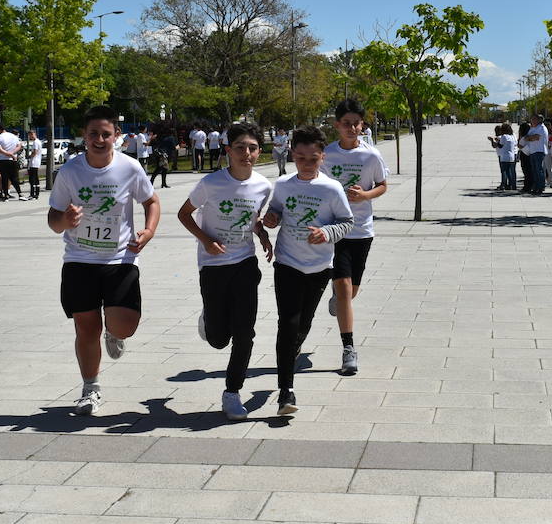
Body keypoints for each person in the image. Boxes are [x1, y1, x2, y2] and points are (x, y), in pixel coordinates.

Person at [48, 105, 161, 416]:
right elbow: (53, 219)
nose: (99, 139)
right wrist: (65, 221)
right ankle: (90, 387)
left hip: (120, 259)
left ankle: (114, 332)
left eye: (106, 134)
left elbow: (151, 201)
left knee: (125, 327)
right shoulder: (70, 171)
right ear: (84, 136)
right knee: (86, 328)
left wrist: (148, 231)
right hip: (79, 259)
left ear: (117, 136)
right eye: (93, 134)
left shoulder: (130, 168)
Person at [177, 123, 274, 420]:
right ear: (229, 150)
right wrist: (206, 240)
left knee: (245, 332)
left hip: (245, 263)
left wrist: (262, 236)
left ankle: (232, 393)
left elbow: (252, 218)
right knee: (219, 338)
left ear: (259, 152)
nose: (247, 153)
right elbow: (184, 213)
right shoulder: (211, 183)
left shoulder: (263, 186)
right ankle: (209, 318)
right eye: (241, 147)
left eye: (253, 148)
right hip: (213, 266)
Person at [261, 125, 354, 416]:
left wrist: (326, 232)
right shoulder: (284, 184)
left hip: (318, 267)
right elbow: (275, 211)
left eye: (312, 159)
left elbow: (346, 222)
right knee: (287, 323)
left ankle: (295, 347)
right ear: (292, 155)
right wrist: (272, 219)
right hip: (287, 262)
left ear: (322, 158)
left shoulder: (331, 188)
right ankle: (285, 391)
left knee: (304, 323)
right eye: (300, 158)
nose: (306, 163)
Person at [322, 99, 389, 376]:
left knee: (351, 291)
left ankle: (339, 298)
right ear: (337, 125)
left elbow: (383, 186)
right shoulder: (327, 155)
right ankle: (349, 348)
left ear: (363, 125)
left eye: (356, 124)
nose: (352, 128)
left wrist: (365, 195)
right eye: (346, 123)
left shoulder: (371, 156)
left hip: (361, 230)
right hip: (335, 230)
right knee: (346, 288)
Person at [0, 126, 25, 200]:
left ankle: (6, 195)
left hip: (2, 159)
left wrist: (7, 154)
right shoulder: (13, 136)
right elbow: (19, 146)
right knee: (14, 177)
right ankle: (20, 193)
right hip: (13, 159)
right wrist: (12, 153)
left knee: (4, 177)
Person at [523, 114, 549, 195]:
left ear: (538, 120)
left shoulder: (541, 128)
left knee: (538, 170)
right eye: (531, 119)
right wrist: (530, 137)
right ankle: (536, 186)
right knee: (534, 170)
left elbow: (536, 137)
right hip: (532, 151)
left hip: (539, 151)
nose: (532, 121)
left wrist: (529, 138)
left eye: (534, 119)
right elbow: (526, 137)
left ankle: (540, 187)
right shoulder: (533, 128)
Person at [490, 123, 517, 190]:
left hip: (504, 157)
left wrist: (493, 141)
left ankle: (504, 185)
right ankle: (511, 185)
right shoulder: (511, 136)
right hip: (511, 156)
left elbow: (500, 145)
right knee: (510, 172)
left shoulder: (504, 136)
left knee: (504, 171)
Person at [25, 130, 44, 199]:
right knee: (36, 178)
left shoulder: (35, 142)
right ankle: (37, 193)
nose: (30, 137)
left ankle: (32, 194)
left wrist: (29, 156)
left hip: (34, 162)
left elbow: (35, 152)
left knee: (32, 179)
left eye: (30, 135)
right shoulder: (39, 141)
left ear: (33, 134)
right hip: (37, 162)